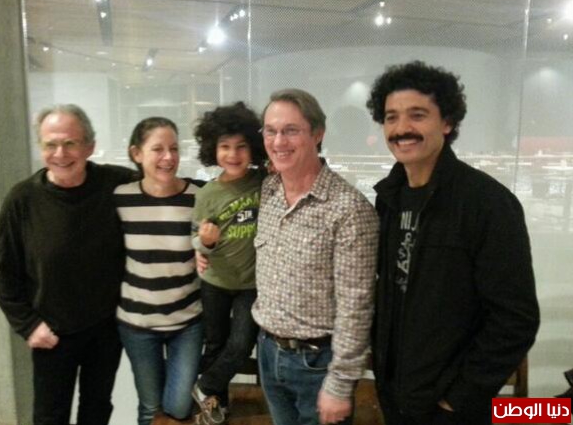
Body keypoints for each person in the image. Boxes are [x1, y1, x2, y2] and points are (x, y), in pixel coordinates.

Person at [366, 61, 540, 425]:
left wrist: (459, 398)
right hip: (397, 396)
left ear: (447, 122)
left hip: (451, 409)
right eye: (392, 117)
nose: (402, 128)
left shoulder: (487, 203)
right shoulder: (389, 198)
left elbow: (515, 319)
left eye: (417, 115)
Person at [0, 104, 135, 425]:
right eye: (50, 144)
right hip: (51, 332)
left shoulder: (117, 184)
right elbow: (2, 270)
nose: (60, 153)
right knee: (49, 416)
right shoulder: (22, 199)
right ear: (40, 147)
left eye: (70, 143)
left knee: (97, 409)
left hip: (105, 329)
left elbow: (163, 186)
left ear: (90, 146)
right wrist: (28, 325)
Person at [251, 89, 379, 425]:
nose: (278, 141)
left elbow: (356, 305)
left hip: (318, 365)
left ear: (318, 134)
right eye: (270, 130)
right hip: (268, 352)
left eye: (291, 130)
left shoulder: (349, 209)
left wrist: (340, 384)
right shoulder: (270, 190)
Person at [114, 117, 204, 425]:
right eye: (158, 149)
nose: (168, 157)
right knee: (150, 408)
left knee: (179, 407)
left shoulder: (198, 197)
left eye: (174, 149)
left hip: (187, 321)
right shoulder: (121, 199)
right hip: (137, 324)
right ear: (136, 153)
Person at [191, 101, 267, 425]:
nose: (233, 154)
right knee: (215, 343)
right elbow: (196, 240)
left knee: (241, 343)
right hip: (215, 281)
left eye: (241, 146)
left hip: (251, 284)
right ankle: (214, 404)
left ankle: (205, 385)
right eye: (224, 146)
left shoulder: (264, 181)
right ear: (213, 149)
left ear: (254, 148)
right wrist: (205, 243)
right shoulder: (207, 193)